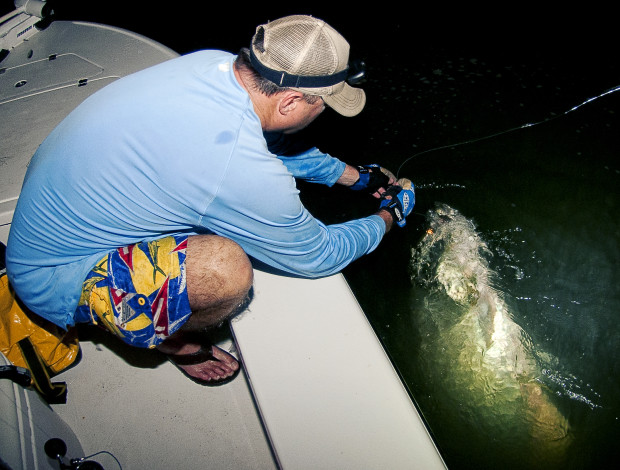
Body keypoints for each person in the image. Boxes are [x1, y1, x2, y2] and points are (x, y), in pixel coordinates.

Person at [5, 14, 415, 385]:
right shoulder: (237, 167)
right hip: (54, 277)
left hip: (52, 215)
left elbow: (265, 142)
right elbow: (317, 255)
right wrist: (388, 214)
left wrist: (355, 178)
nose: (322, 113)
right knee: (225, 270)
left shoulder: (212, 64)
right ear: (291, 101)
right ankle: (174, 344)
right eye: (324, 105)